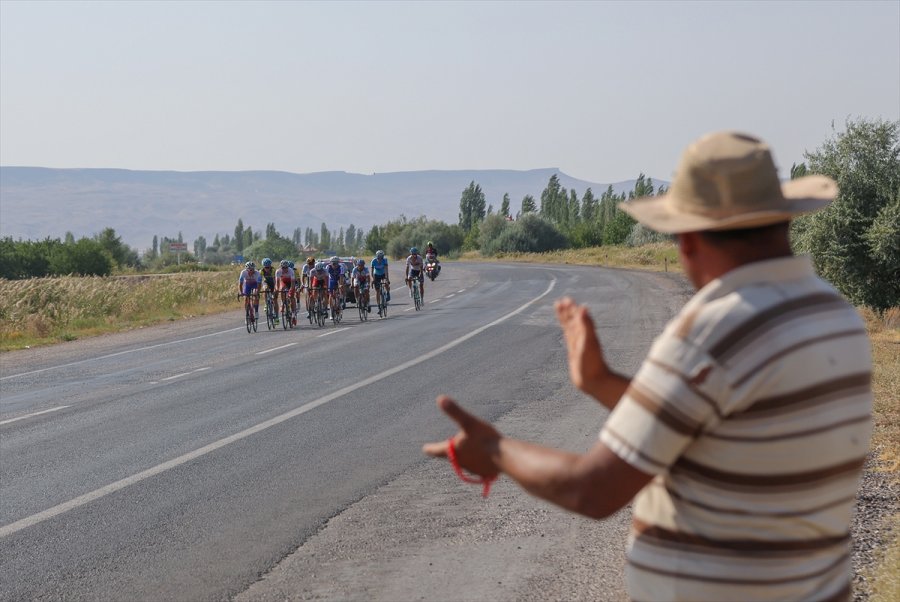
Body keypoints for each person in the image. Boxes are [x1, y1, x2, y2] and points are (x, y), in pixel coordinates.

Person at [424, 131, 872, 602]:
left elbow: (593, 491)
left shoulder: (715, 329)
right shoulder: (832, 312)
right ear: (783, 220)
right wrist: (600, 382)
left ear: (689, 240)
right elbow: (725, 425)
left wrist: (494, 450)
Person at [275, 259, 296, 325]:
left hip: (290, 282)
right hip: (283, 282)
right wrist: (277, 289)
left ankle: (293, 314)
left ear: (288, 267)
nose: (284, 269)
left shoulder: (291, 271)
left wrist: (291, 290)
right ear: (281, 267)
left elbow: (293, 282)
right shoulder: (278, 271)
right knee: (282, 289)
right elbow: (277, 282)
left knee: (291, 297)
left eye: (286, 267)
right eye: (283, 268)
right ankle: (283, 303)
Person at [259, 257, 279, 323]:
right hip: (266, 282)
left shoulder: (273, 270)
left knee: (275, 300)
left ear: (270, 266)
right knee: (265, 288)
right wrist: (258, 289)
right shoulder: (261, 271)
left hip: (273, 283)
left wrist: (275, 288)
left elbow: (275, 280)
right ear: (263, 266)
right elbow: (259, 281)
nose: (267, 269)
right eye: (266, 267)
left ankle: (277, 316)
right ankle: (266, 304)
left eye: (268, 267)